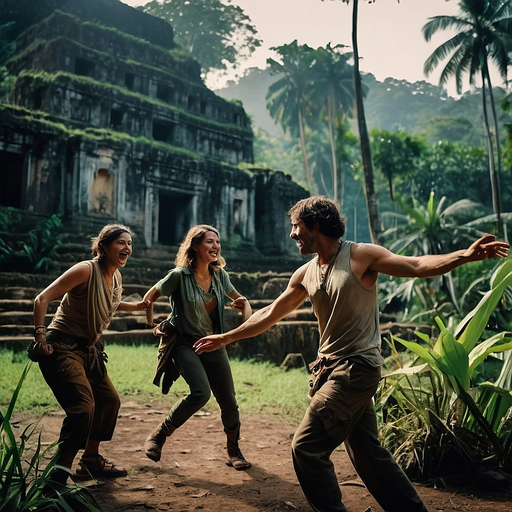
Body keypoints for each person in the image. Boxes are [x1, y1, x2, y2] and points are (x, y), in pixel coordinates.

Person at [194, 196, 510, 512]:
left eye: (296, 226)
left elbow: (415, 265)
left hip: (356, 369)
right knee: (368, 453)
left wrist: (464, 256)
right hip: (328, 371)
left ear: (315, 224)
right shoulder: (305, 273)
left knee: (306, 447)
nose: (292, 234)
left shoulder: (360, 256)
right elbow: (271, 313)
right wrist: (226, 337)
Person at [31, 223, 148, 485]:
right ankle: (56, 478)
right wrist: (40, 338)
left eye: (129, 244)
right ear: (103, 247)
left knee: (108, 401)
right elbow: (42, 298)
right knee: (83, 408)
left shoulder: (115, 276)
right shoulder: (85, 270)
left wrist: (137, 306)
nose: (127, 248)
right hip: (61, 347)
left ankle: (91, 460)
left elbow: (110, 303)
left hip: (88, 349)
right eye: (121, 243)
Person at [142, 224, 252, 470]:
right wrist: (152, 324)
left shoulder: (220, 276)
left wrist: (244, 308)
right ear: (194, 245)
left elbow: (242, 302)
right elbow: (149, 297)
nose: (215, 246)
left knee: (229, 401)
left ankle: (234, 450)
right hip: (184, 343)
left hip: (213, 342)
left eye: (217, 241)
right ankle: (159, 435)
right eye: (209, 241)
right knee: (201, 393)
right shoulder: (178, 276)